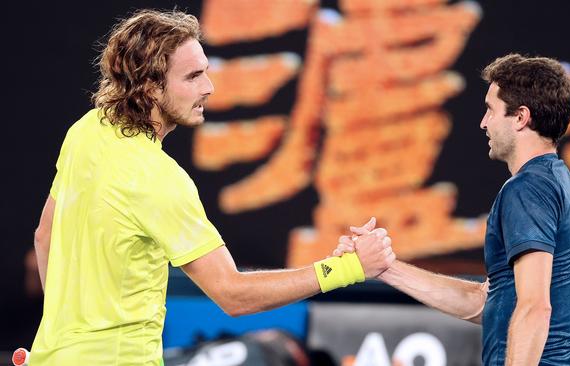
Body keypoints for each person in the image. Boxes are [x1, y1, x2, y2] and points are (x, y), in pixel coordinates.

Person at [31, 9, 395, 365]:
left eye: (206, 71)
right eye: (192, 77)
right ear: (150, 88)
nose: (209, 87)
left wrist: (63, 339)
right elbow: (234, 295)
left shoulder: (87, 130)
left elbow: (44, 237)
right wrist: (349, 268)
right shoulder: (158, 177)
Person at [335, 54, 570, 365]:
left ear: (520, 117)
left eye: (491, 110)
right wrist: (384, 268)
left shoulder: (527, 189)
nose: (484, 122)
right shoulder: (563, 187)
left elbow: (535, 307)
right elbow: (484, 302)